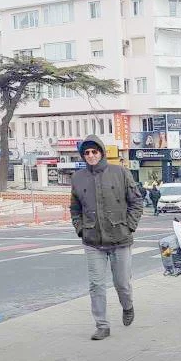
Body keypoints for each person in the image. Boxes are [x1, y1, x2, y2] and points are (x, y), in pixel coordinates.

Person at [70, 135, 143, 340]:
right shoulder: (78, 178)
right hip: (93, 241)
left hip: (120, 239)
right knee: (96, 285)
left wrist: (129, 226)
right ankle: (102, 325)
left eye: (94, 151)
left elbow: (137, 202)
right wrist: (80, 229)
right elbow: (75, 209)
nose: (91, 156)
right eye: (87, 153)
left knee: (122, 283)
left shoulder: (120, 172)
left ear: (101, 152)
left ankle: (127, 306)